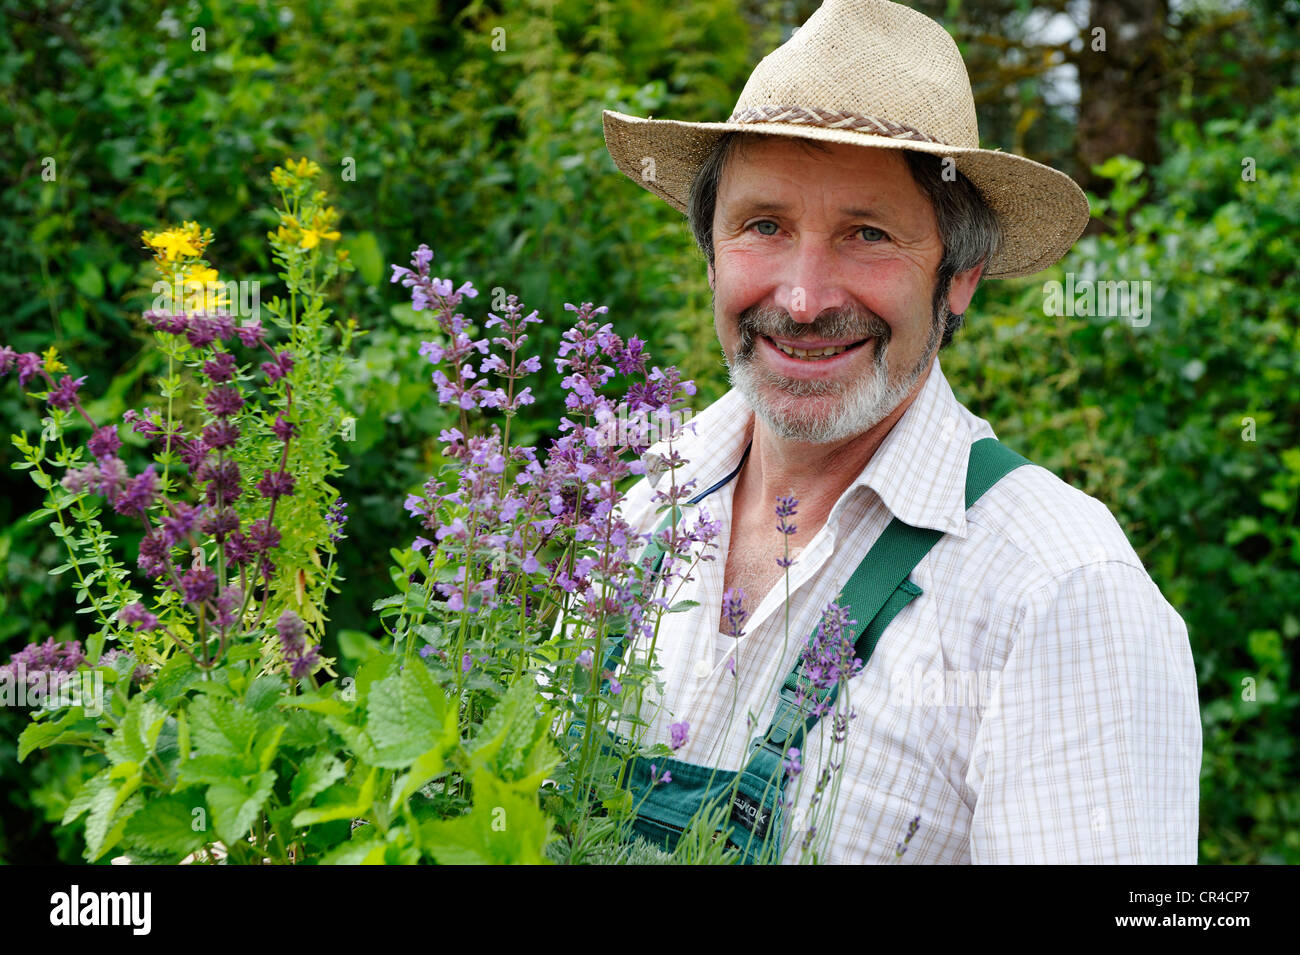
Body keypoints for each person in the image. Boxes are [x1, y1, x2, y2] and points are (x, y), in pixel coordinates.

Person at [600, 0, 1201, 863]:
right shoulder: (646, 499)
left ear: (959, 279)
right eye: (764, 225)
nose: (803, 300)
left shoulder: (1061, 590)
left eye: (868, 234)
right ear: (710, 250)